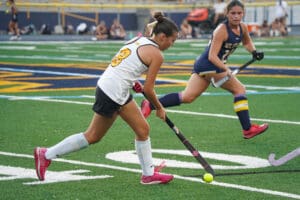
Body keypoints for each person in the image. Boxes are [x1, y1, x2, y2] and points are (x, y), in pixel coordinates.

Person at [34, 12, 179, 185]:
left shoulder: (141, 38)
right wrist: (159, 107)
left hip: (116, 87)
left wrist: (132, 82)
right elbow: (149, 88)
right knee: (93, 135)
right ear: (163, 36)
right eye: (173, 40)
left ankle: (148, 174)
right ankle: (46, 154)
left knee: (143, 130)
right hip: (112, 92)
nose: (172, 44)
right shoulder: (157, 55)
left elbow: (135, 54)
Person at [140, 0, 268, 139]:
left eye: (239, 13)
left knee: (187, 97)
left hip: (204, 66)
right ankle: (247, 129)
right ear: (227, 13)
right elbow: (212, 56)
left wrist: (254, 51)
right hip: (210, 65)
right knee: (239, 90)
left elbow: (247, 42)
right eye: (233, 13)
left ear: (243, 14)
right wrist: (226, 69)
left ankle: (150, 104)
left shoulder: (242, 27)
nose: (236, 16)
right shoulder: (222, 30)